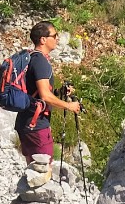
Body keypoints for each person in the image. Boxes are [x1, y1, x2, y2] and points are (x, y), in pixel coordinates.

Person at [15, 20, 81, 161]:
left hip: (25, 121)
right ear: (43, 39)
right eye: (55, 35)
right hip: (36, 125)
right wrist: (70, 106)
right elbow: (45, 96)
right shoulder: (40, 62)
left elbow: (36, 90)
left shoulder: (32, 57)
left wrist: (58, 92)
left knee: (33, 169)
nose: (57, 38)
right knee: (43, 170)